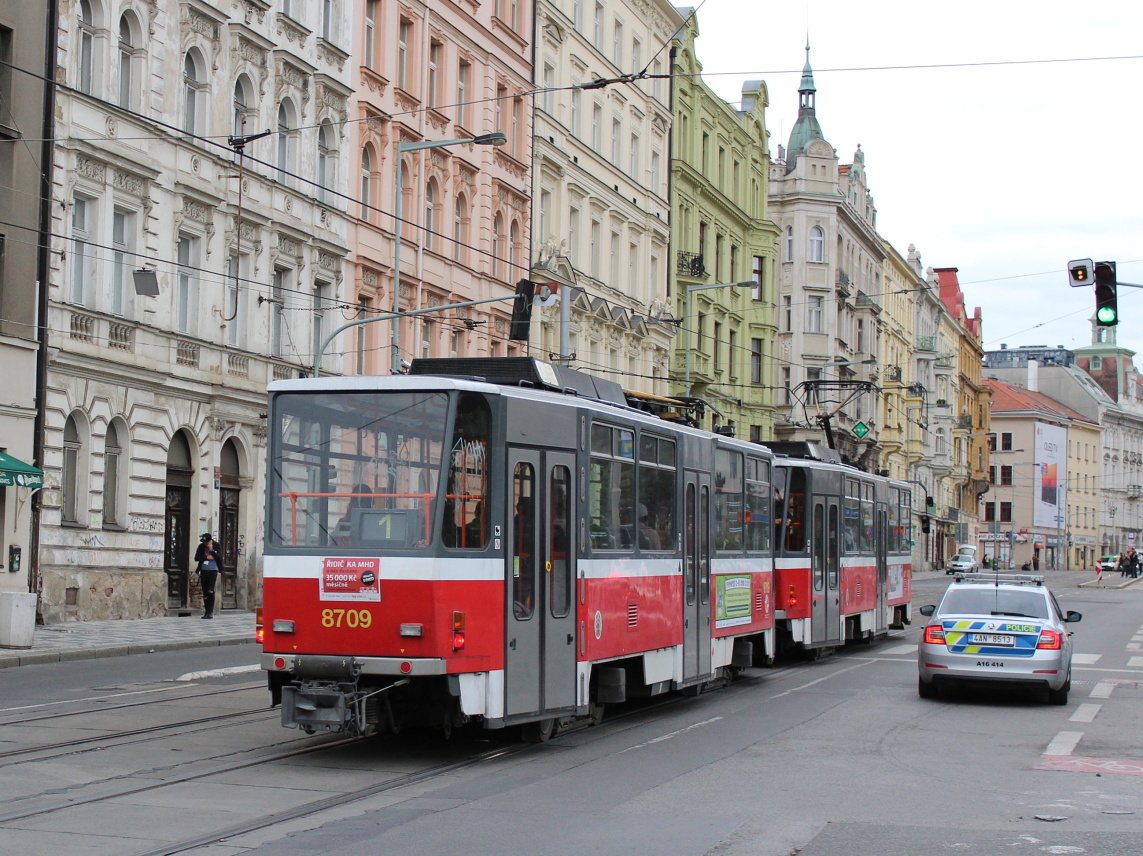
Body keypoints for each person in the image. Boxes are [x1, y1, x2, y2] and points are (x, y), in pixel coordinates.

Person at [194, 533, 223, 619]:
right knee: (205, 591)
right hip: (203, 570)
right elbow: (196, 558)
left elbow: (219, 557)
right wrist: (206, 558)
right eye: (204, 543)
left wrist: (212, 550)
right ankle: (206, 611)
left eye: (206, 543)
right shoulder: (201, 547)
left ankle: (210, 611)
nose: (205, 544)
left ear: (210, 541)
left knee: (210, 590)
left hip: (213, 570)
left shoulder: (216, 545)